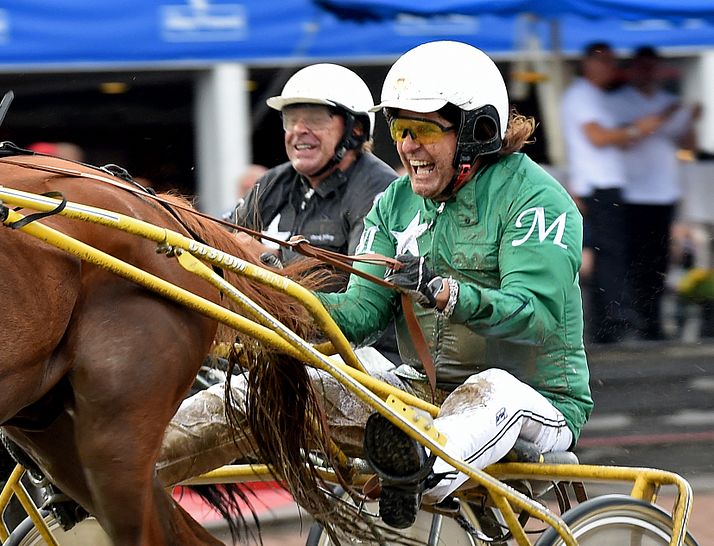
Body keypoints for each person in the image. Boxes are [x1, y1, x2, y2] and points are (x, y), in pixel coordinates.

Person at [157, 40, 592, 532]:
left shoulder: (537, 200)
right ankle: (117, 469)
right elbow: (358, 316)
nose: (407, 146)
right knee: (263, 393)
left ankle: (415, 467)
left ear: (478, 131)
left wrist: (446, 292)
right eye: (401, 128)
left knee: (489, 389)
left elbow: (535, 316)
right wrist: (264, 297)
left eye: (424, 128)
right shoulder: (395, 204)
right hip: (421, 398)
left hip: (535, 400)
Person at [230, 62, 400, 361]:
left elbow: (359, 305)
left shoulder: (378, 189)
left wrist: (267, 266)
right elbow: (222, 242)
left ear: (356, 129)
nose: (298, 131)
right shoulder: (275, 181)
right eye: (291, 119)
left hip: (368, 358)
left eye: (314, 119)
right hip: (291, 346)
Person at [561, 42, 665, 344]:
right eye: (604, 61)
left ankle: (610, 320)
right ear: (589, 64)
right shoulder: (582, 95)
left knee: (611, 254)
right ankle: (613, 320)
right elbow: (597, 136)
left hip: (604, 183)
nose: (610, 68)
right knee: (610, 256)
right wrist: (636, 129)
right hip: (599, 185)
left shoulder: (593, 96)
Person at [610, 46, 701, 341]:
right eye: (643, 67)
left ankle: (655, 321)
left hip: (664, 192)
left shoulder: (669, 101)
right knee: (636, 260)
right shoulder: (620, 101)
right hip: (634, 193)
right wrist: (667, 115)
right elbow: (627, 137)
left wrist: (691, 121)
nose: (648, 73)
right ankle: (638, 318)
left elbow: (688, 145)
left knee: (661, 261)